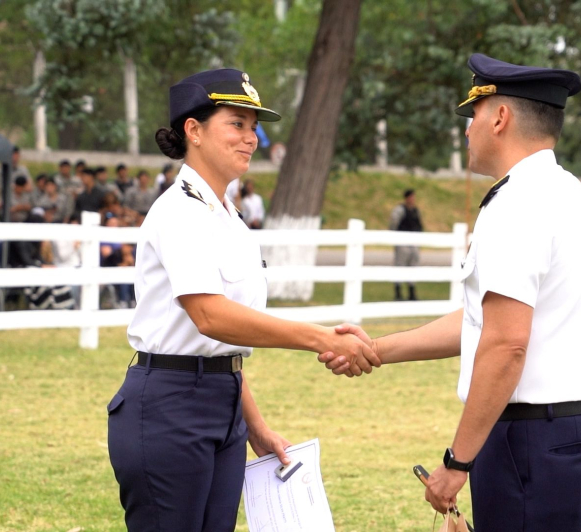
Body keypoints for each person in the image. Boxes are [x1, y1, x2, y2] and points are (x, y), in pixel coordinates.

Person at [321, 54, 581, 531]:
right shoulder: (569, 195)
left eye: (473, 115)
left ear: (499, 117)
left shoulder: (516, 204)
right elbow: (482, 322)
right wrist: (375, 349)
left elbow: (505, 345)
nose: (467, 130)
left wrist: (457, 462)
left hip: (533, 441)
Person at [106, 68, 379, 532]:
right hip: (169, 406)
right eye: (236, 123)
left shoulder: (229, 217)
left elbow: (227, 344)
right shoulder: (180, 211)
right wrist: (318, 338)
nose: (251, 137)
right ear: (193, 130)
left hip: (222, 402)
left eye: (254, 127)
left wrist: (253, 424)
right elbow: (210, 317)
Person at [389, 188, 422, 300]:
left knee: (413, 266)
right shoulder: (400, 210)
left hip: (413, 243)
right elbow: (394, 223)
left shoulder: (415, 211)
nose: (413, 199)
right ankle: (398, 292)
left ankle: (411, 292)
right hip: (402, 243)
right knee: (400, 265)